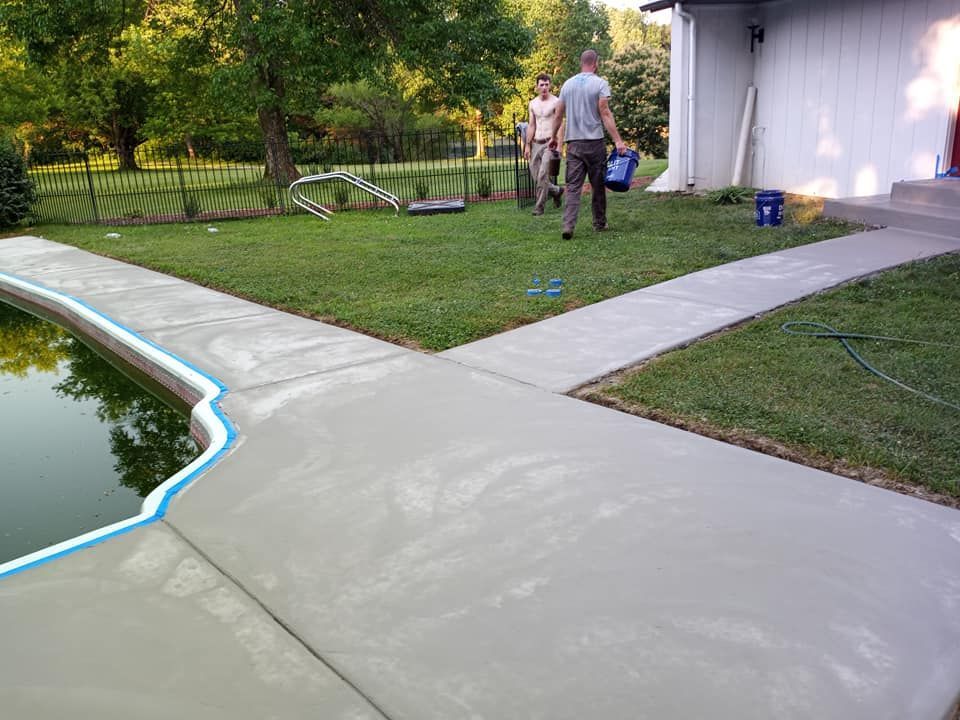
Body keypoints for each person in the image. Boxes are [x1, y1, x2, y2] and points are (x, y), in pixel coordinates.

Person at [549, 49, 627, 239]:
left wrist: (553, 137)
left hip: (574, 144)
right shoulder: (600, 84)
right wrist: (618, 140)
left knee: (573, 187)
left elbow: (558, 114)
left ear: (581, 63)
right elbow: (605, 112)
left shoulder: (567, 85)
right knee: (597, 185)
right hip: (595, 143)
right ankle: (599, 223)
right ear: (595, 63)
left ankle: (568, 226)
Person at [523, 73, 564, 216]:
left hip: (550, 144)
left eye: (547, 84)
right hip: (536, 143)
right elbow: (531, 125)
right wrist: (527, 145)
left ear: (550, 85)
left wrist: (560, 146)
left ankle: (539, 207)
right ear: (537, 87)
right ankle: (557, 191)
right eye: (542, 85)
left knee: (542, 175)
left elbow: (561, 124)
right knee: (537, 176)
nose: (544, 87)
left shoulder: (556, 102)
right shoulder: (532, 103)